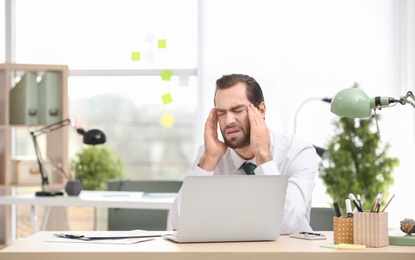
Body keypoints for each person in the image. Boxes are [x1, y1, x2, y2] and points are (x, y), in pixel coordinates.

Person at [169, 74, 317, 234]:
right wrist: (209, 160)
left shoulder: (298, 153)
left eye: (237, 110)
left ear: (261, 110)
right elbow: (180, 222)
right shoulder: (211, 155)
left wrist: (262, 155)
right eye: (221, 113)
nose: (229, 120)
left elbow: (285, 224)